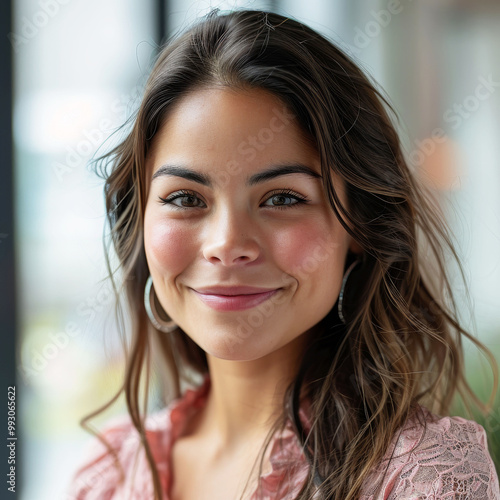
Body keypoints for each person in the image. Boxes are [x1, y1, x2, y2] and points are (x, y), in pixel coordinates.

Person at [65, 8, 500, 500]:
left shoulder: (423, 476)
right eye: (186, 198)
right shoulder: (107, 473)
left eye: (282, 198)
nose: (227, 244)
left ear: (359, 223)